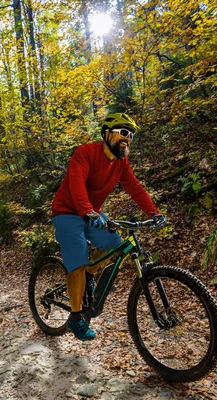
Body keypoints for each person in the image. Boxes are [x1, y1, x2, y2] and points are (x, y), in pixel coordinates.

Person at [51, 112, 165, 341]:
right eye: (123, 133)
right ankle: (75, 318)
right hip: (67, 211)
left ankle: (91, 274)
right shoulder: (85, 153)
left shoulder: (121, 163)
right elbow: (76, 182)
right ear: (106, 134)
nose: (127, 138)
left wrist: (154, 212)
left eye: (130, 135)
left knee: (115, 243)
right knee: (78, 256)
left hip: (92, 211)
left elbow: (135, 188)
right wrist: (86, 210)